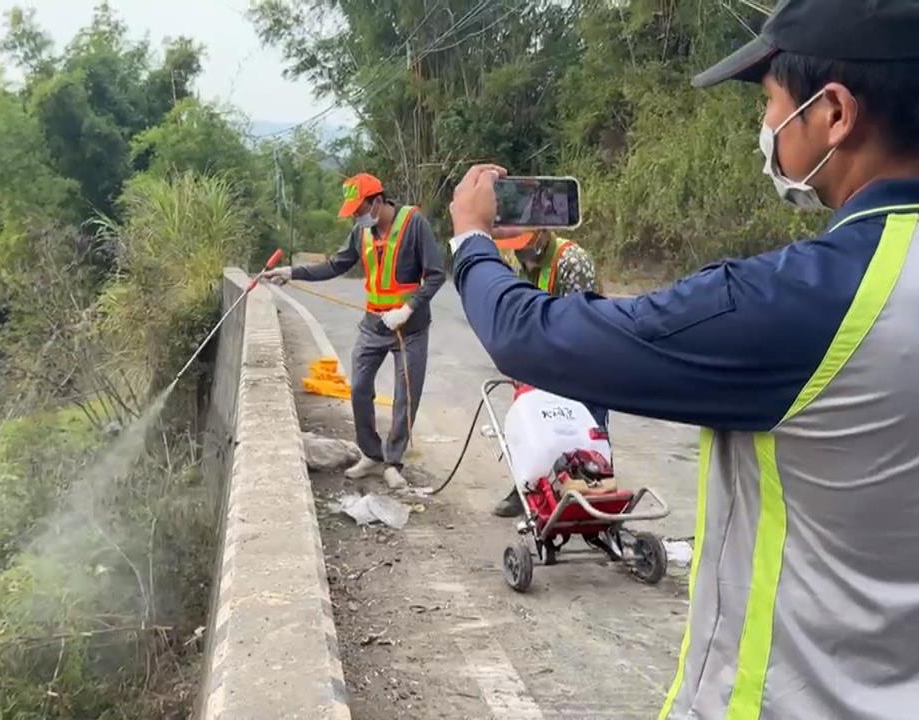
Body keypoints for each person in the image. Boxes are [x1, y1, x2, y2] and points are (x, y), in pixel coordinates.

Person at [447, 1, 919, 717]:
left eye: (770, 103)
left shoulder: (800, 302)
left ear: (833, 114)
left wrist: (472, 240)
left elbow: (532, 337)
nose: (765, 129)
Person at [265, 173, 445, 490]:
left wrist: (407, 309)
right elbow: (336, 265)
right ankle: (371, 453)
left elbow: (435, 275)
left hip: (410, 328)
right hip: (373, 325)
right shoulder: (361, 233)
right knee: (359, 387)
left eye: (360, 210)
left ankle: (392, 461)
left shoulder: (414, 224)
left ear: (378, 201)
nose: (357, 217)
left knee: (406, 397)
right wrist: (292, 272)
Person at [490, 230, 605, 518]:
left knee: (586, 432)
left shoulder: (573, 262)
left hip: (584, 359)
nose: (518, 254)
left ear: (540, 238)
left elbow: (581, 324)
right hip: (544, 359)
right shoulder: (523, 262)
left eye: (523, 247)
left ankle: (594, 497)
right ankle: (530, 489)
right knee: (534, 428)